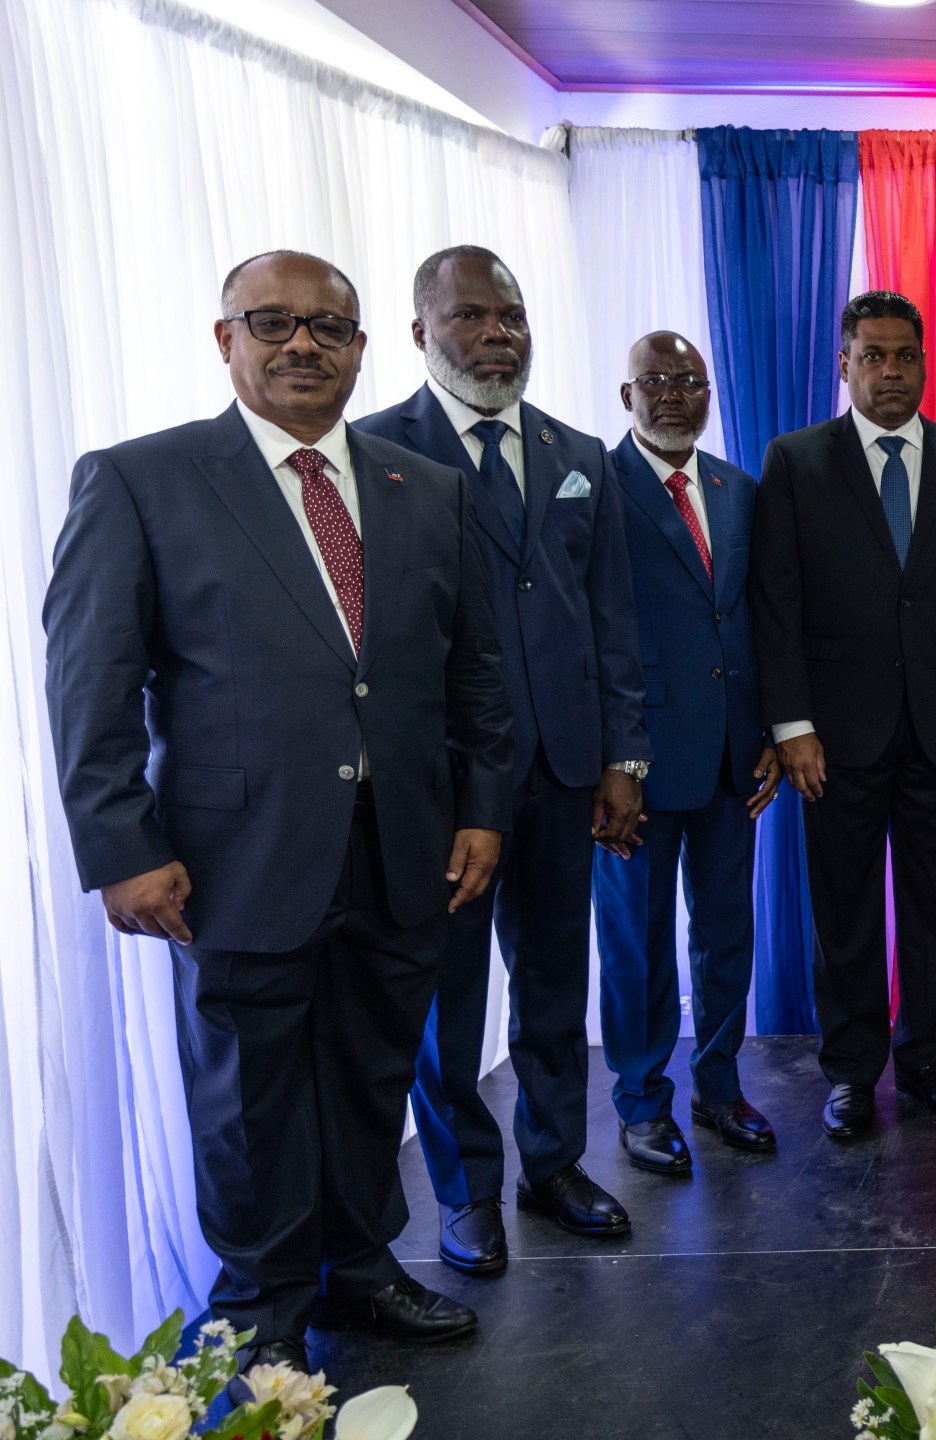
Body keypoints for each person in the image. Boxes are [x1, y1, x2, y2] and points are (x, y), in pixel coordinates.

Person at [45, 251, 508, 1373]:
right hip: (230, 859)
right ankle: (259, 1303)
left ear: (363, 346)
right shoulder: (141, 480)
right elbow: (89, 683)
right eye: (274, 323)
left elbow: (477, 676)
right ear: (225, 340)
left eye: (329, 328)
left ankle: (359, 1269)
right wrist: (121, 848)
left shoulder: (426, 488)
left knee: (368, 1076)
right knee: (248, 1096)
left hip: (403, 853)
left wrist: (482, 810)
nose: (303, 345)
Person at [353, 245, 650, 1274]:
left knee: (559, 984)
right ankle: (466, 1191)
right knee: (449, 1001)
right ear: (420, 329)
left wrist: (627, 759)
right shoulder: (370, 449)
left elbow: (615, 618)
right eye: (472, 315)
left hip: (570, 770)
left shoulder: (578, 452)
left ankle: (555, 1163)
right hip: (443, 788)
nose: (497, 334)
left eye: (511, 315)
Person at [750, 290, 936, 1137]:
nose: (891, 370)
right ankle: (851, 1073)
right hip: (834, 736)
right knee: (846, 911)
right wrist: (791, 726)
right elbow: (776, 601)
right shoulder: (798, 460)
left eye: (905, 355)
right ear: (846, 364)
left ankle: (927, 1063)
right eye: (873, 355)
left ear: (925, 363)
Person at [594, 331, 782, 1174]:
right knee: (636, 941)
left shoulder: (737, 488)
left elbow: (759, 619)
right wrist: (615, 760)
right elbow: (591, 633)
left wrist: (774, 731)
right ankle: (640, 1102)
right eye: (656, 381)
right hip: (635, 764)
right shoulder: (594, 487)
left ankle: (717, 1084)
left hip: (732, 758)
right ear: (626, 394)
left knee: (724, 932)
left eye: (691, 381)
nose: (674, 394)